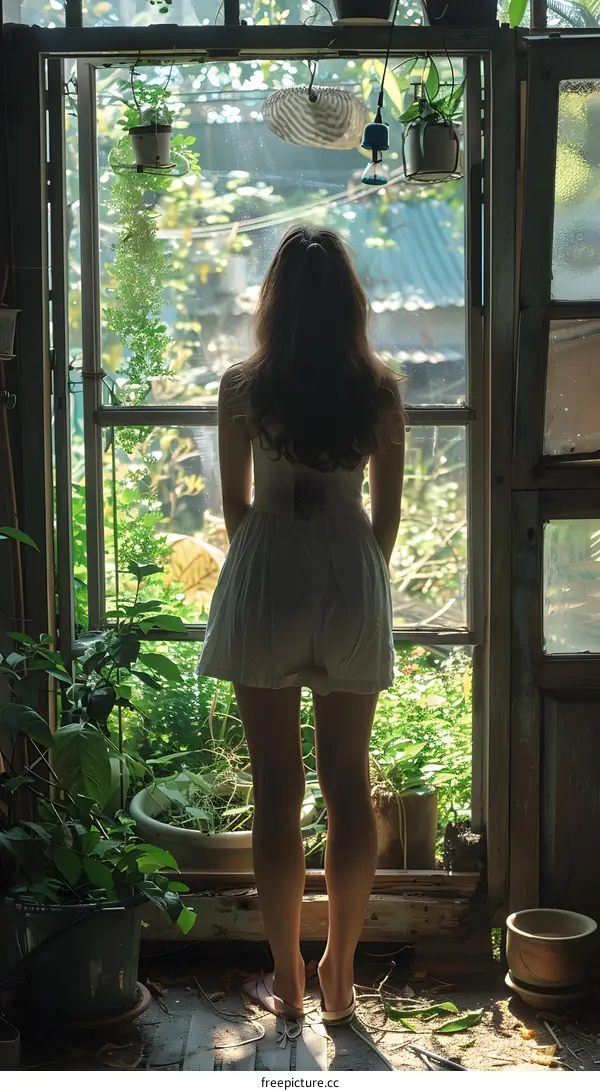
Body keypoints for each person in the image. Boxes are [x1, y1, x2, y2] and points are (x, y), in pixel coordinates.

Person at [197, 224, 405, 1026]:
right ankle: (340, 976)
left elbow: (235, 506)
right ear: (350, 305)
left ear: (274, 304)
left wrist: (277, 556)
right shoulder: (380, 392)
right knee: (348, 786)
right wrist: (350, 570)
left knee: (276, 787)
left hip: (268, 570)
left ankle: (283, 978)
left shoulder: (242, 386)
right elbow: (385, 521)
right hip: (349, 575)